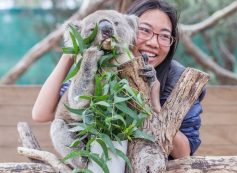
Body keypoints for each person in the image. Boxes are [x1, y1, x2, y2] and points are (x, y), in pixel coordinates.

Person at [32, 0, 205, 160]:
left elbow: (184, 154)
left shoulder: (181, 80)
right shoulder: (103, 65)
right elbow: (41, 113)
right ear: (128, 28)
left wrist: (153, 106)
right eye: (144, 30)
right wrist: (74, 47)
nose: (154, 42)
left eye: (165, 36)